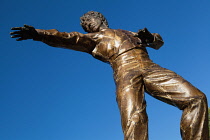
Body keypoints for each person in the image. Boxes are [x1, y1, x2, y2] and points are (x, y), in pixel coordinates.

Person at [10, 11, 209, 140]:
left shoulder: (130, 32)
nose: (86, 25)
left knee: (196, 98)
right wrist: (39, 33)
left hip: (151, 67)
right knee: (134, 119)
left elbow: (158, 43)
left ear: (101, 19)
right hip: (125, 71)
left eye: (89, 20)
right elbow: (68, 38)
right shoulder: (92, 39)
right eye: (85, 24)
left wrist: (152, 38)